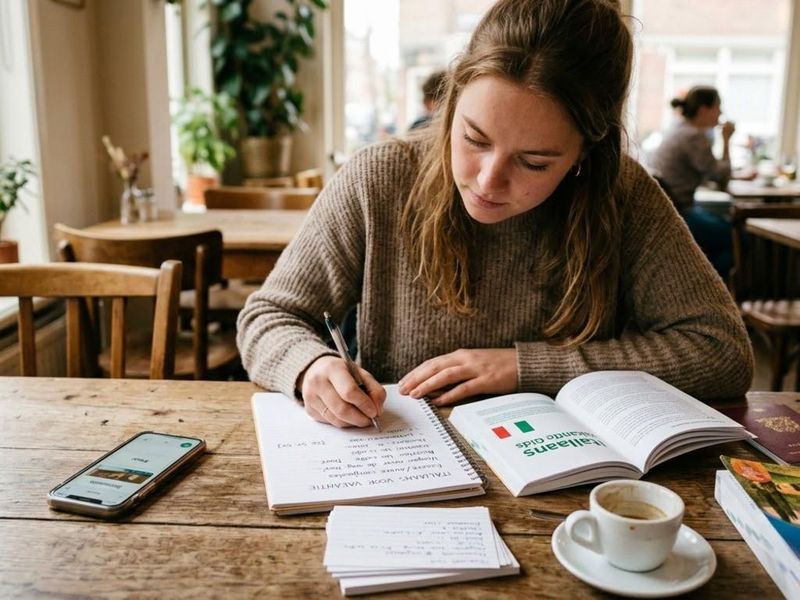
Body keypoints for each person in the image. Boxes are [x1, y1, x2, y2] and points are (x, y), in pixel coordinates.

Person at [237, 0, 753, 429]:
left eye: (534, 162)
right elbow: (268, 317)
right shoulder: (380, 177)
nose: (487, 181)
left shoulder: (624, 195)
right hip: (398, 465)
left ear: (585, 154)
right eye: (473, 139)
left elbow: (723, 352)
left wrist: (526, 367)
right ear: (452, 99)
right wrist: (311, 366)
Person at [649, 86, 735, 278]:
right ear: (704, 110)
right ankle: (708, 281)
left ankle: (702, 275)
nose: (720, 114)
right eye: (718, 107)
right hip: (680, 212)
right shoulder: (694, 136)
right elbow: (719, 176)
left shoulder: (679, 129)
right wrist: (727, 140)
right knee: (739, 237)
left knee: (723, 224)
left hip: (670, 208)